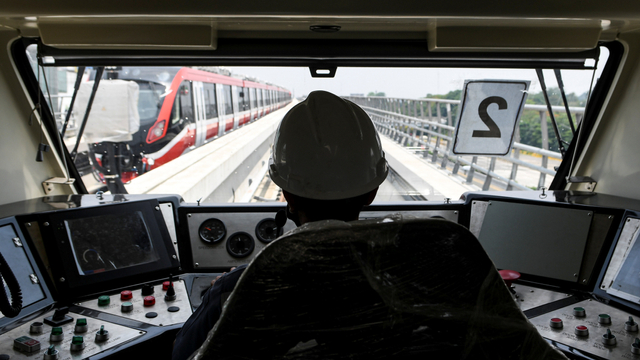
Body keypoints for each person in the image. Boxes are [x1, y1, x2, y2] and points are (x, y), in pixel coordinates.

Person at [172, 90, 388, 360]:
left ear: (288, 195)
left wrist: (233, 285)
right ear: (372, 192)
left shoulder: (237, 289)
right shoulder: (404, 278)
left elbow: (183, 355)